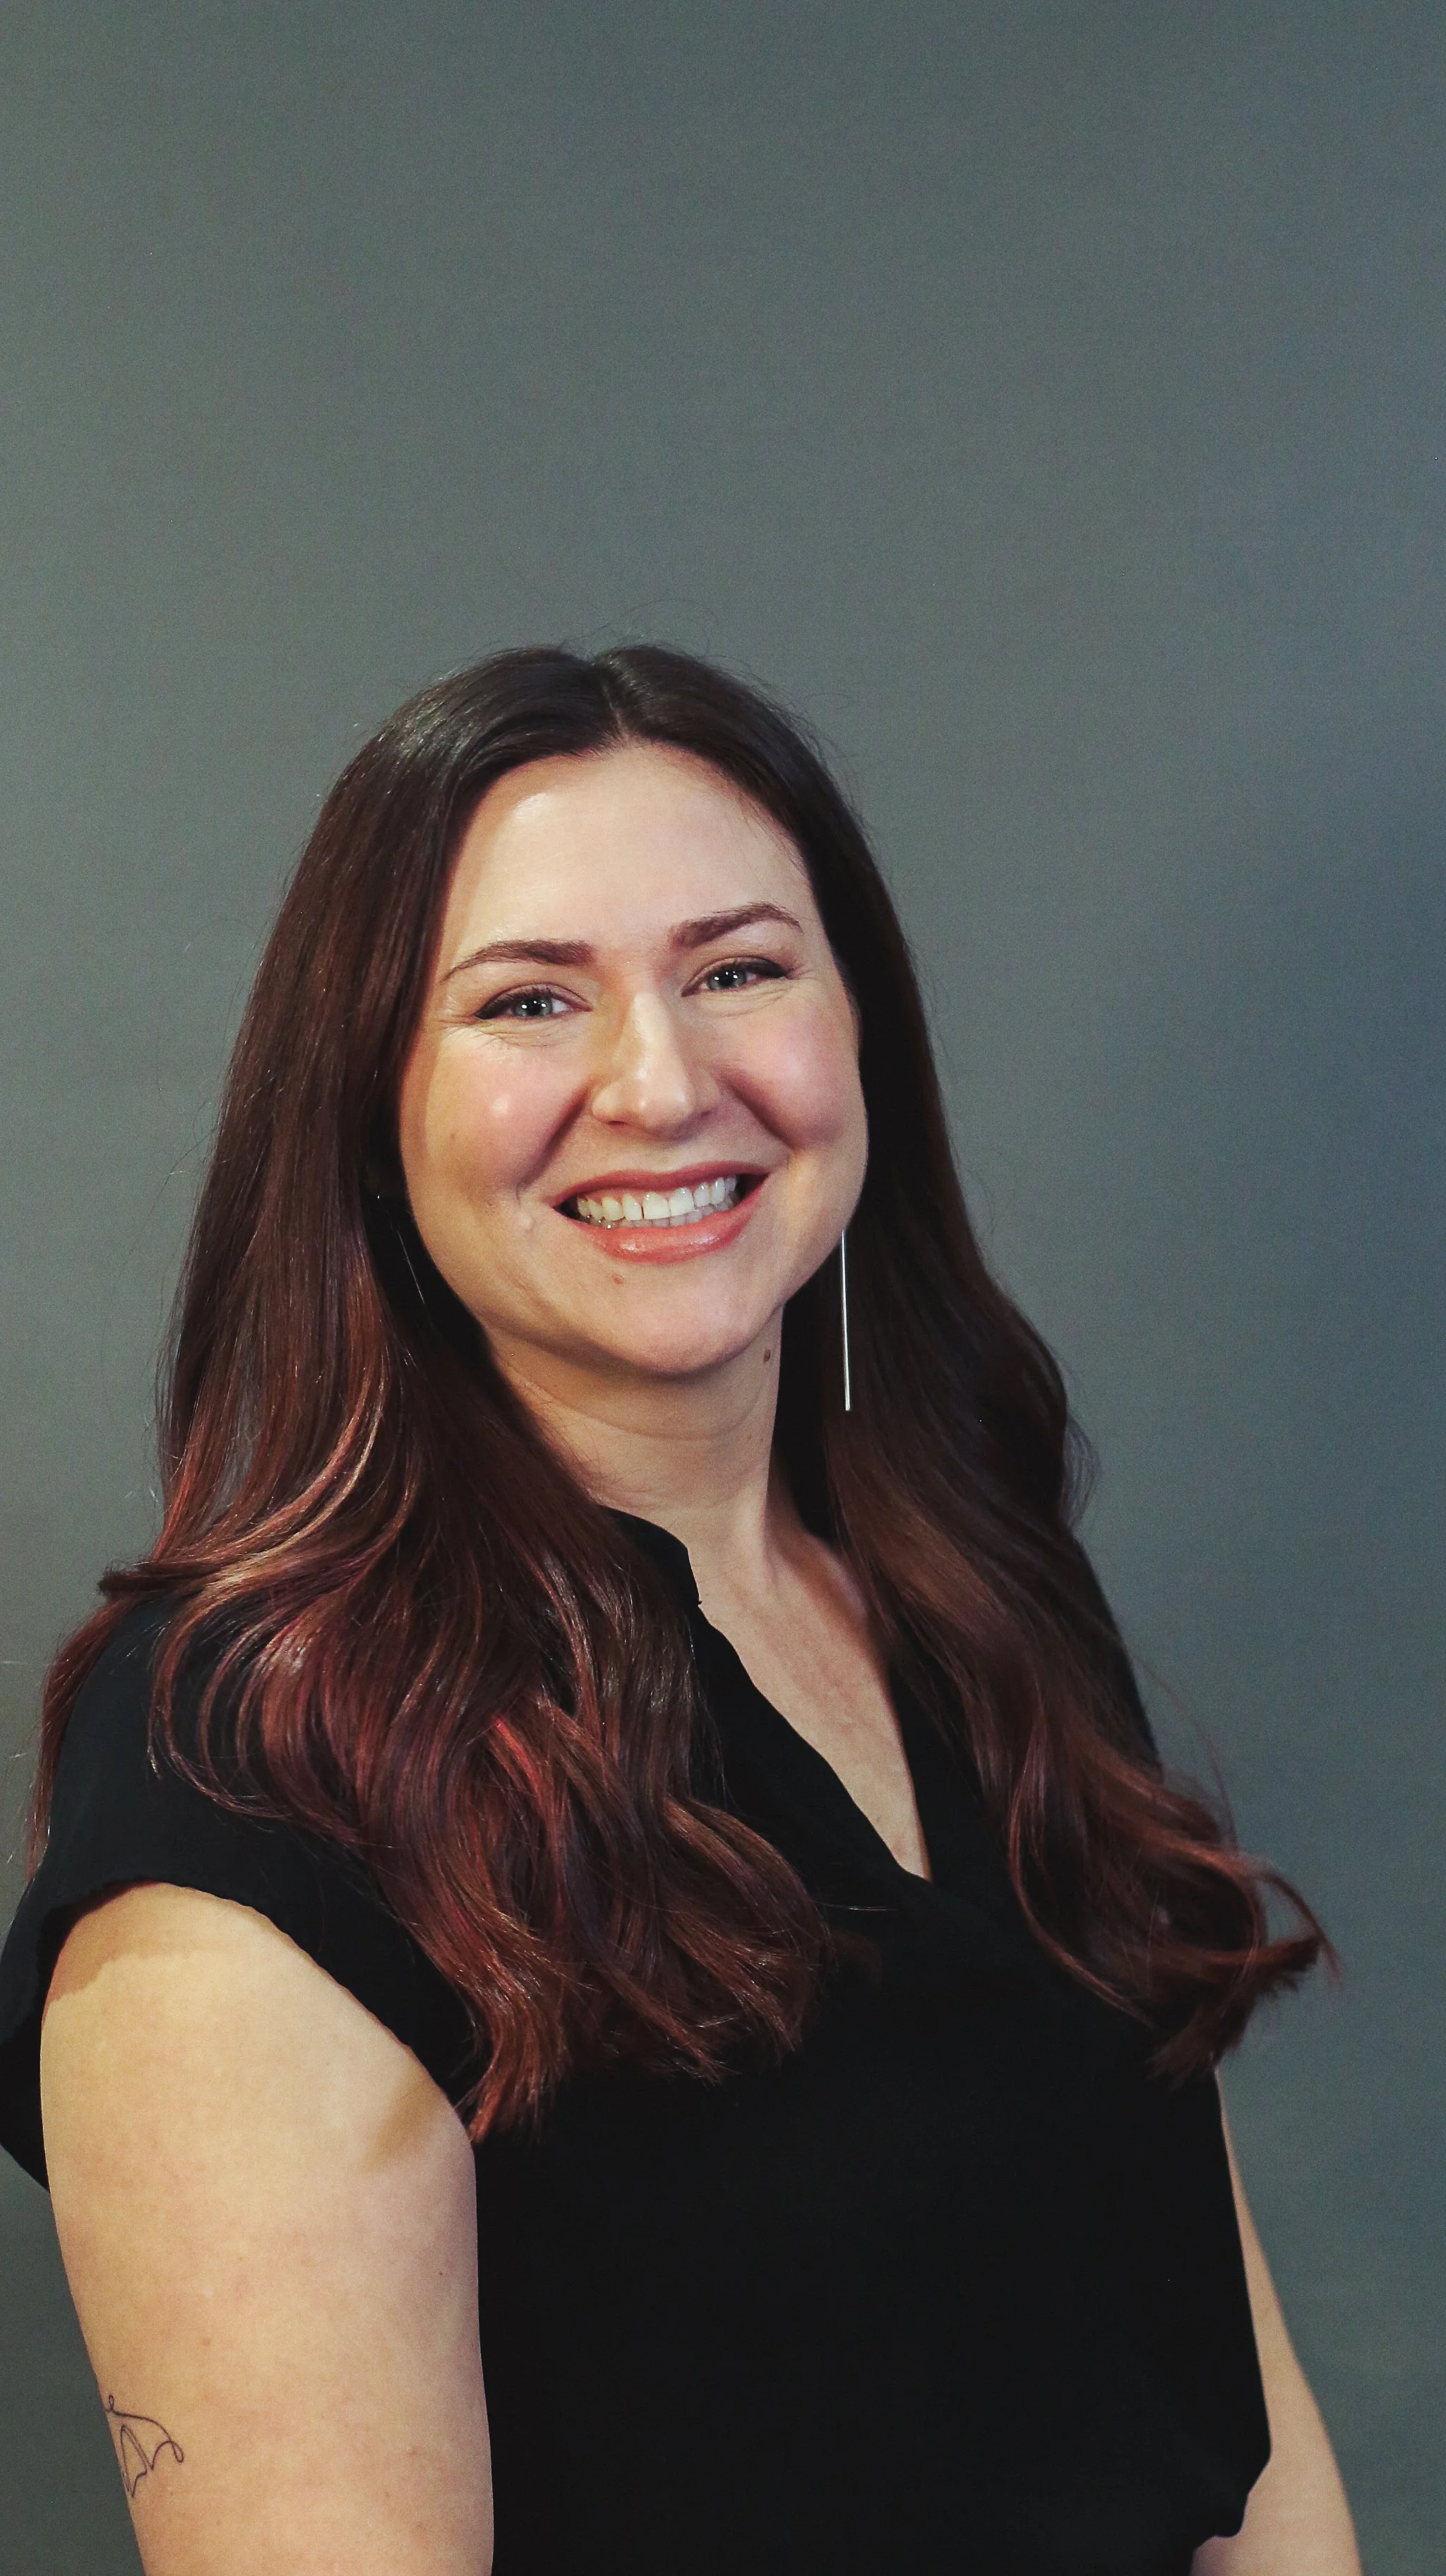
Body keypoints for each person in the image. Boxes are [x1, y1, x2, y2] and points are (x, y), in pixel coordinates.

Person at [0, 646, 1358, 2576]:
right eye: (530, 1000)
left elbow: (1227, 2394)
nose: (661, 1082)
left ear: (857, 1028)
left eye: (739, 971)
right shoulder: (255, 1763)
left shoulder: (976, 1592)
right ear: (369, 1103)